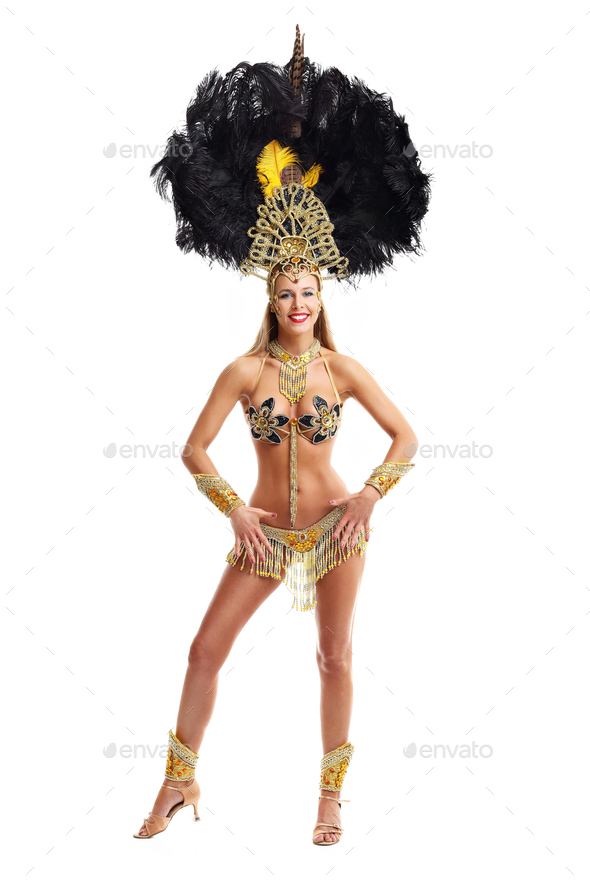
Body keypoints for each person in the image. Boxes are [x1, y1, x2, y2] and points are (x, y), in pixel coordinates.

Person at [134, 27, 430, 845]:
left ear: (318, 292)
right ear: (269, 296)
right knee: (203, 648)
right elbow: (192, 449)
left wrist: (370, 493)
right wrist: (232, 509)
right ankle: (178, 776)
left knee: (333, 658)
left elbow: (407, 437)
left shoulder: (343, 369)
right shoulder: (241, 372)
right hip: (264, 533)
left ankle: (331, 796)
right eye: (286, 290)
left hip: (335, 531)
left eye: (308, 288)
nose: (298, 300)